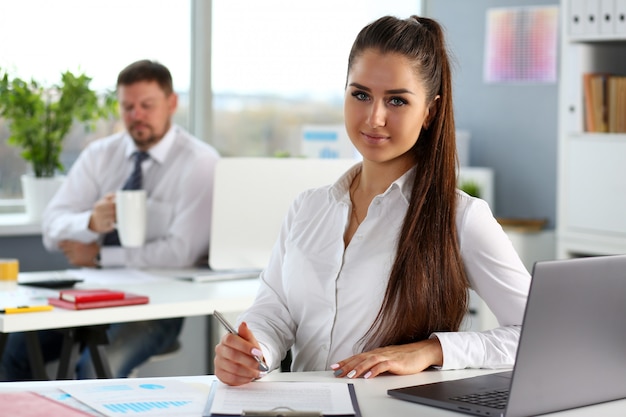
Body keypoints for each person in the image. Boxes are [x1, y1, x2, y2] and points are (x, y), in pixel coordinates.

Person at [214, 15, 531, 386]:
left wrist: (431, 350)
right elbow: (275, 311)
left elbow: (539, 333)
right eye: (361, 94)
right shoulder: (309, 208)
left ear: (429, 111)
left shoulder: (461, 218)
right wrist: (253, 353)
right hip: (304, 409)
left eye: (396, 100)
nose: (374, 117)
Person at [0, 59, 220, 381]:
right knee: (10, 352)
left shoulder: (200, 162)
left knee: (95, 366)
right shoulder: (100, 155)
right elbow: (51, 227)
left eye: (147, 105)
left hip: (158, 301)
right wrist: (90, 223)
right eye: (127, 107)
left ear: (171, 103)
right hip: (91, 293)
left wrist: (101, 257)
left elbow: (181, 252)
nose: (136, 116)